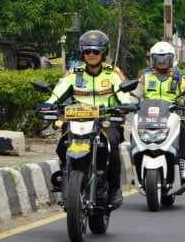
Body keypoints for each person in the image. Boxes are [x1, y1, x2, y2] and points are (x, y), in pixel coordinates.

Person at [41, 30, 131, 208]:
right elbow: (58, 91)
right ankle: (65, 178)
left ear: (103, 53)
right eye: (87, 51)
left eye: (95, 51)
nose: (91, 55)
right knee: (62, 145)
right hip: (77, 121)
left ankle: (114, 189)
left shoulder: (113, 72)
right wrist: (48, 104)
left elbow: (124, 94)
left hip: (106, 121)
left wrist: (125, 105)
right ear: (82, 53)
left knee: (112, 147)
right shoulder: (74, 73)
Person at [131, 41, 185, 184]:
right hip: (147, 117)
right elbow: (135, 94)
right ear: (152, 60)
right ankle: (136, 164)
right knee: (133, 132)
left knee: (183, 129)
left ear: (172, 59)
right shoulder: (146, 77)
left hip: (171, 116)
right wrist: (130, 103)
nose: (161, 62)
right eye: (158, 58)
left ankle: (182, 164)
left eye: (165, 58)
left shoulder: (179, 78)